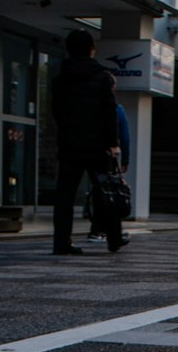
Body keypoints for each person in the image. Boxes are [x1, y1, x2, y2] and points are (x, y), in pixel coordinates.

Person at [51, 29, 126, 256]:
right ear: (92, 49)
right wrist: (113, 143)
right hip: (97, 145)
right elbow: (109, 112)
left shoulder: (60, 79)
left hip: (69, 144)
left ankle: (61, 242)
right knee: (106, 191)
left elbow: (57, 112)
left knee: (64, 195)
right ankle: (114, 238)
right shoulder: (102, 77)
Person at [88, 103, 130, 243]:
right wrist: (125, 159)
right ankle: (107, 233)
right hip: (106, 155)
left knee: (96, 190)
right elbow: (124, 134)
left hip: (83, 152)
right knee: (110, 192)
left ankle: (97, 230)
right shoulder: (115, 108)